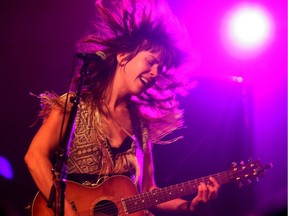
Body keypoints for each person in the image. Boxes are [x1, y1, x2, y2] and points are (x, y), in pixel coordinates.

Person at [24, 0, 220, 215]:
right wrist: (66, 211)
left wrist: (188, 205)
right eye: (150, 61)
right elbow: (35, 156)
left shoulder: (140, 126)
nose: (155, 73)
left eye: (159, 68)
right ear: (123, 56)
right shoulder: (74, 106)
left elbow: (147, 191)